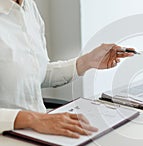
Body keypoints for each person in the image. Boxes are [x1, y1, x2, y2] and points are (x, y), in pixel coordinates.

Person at [0, 0, 135, 138]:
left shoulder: (29, 7)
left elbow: (36, 74)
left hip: (39, 132)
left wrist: (87, 61)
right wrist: (32, 119)